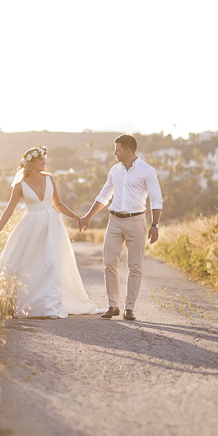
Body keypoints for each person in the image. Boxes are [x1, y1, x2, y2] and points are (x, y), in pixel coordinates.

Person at [0, 146, 104, 319]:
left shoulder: (50, 178)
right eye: (41, 159)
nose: (45, 162)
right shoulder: (20, 185)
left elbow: (57, 204)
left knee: (52, 262)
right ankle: (33, 306)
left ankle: (50, 307)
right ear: (31, 163)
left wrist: (76, 217)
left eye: (45, 159)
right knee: (34, 264)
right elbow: (9, 210)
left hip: (52, 225)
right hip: (31, 227)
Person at [78, 134, 163, 321]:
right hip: (114, 221)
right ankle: (112, 305)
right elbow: (104, 195)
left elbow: (156, 200)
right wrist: (87, 217)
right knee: (109, 263)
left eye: (117, 149)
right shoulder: (115, 170)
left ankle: (129, 308)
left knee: (134, 266)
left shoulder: (147, 171)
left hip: (136, 221)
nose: (114, 153)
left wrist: (155, 224)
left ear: (128, 151)